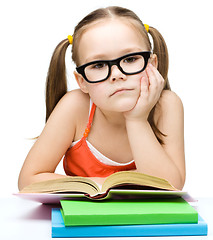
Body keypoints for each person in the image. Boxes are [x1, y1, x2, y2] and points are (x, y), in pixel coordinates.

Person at [18, 6, 185, 191]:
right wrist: (101, 185)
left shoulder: (167, 106)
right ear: (82, 82)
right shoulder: (75, 107)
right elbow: (28, 179)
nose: (117, 75)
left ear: (152, 64)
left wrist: (136, 120)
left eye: (130, 59)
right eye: (98, 65)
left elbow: (171, 186)